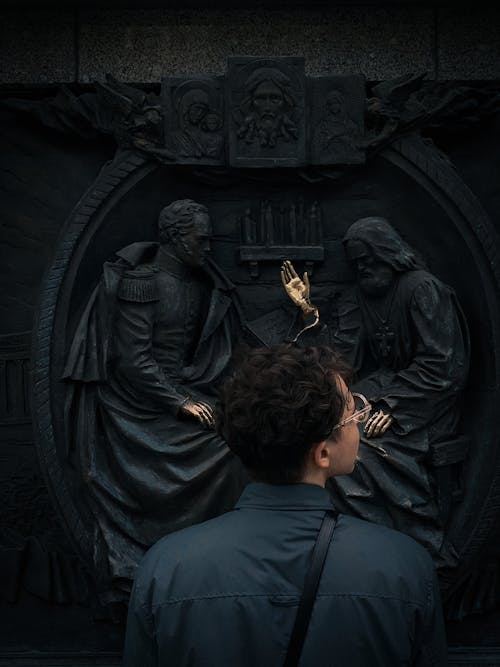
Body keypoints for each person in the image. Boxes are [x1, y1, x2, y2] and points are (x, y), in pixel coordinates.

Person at [124, 343, 447, 666]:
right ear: (322, 453)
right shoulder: (403, 568)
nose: (360, 423)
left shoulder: (165, 569)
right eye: (354, 413)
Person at [63, 199, 250, 604]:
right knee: (226, 448)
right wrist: (180, 402)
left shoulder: (199, 282)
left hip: (184, 393)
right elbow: (134, 361)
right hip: (138, 407)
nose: (208, 247)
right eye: (201, 239)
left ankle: (208, 558)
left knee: (240, 443)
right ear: (174, 237)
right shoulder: (141, 283)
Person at [281, 216, 470, 570]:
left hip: (426, 402)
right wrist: (308, 312)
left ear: (388, 252)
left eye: (368, 259)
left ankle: (413, 546)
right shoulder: (361, 296)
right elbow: (342, 363)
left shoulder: (423, 289)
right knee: (321, 437)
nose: (363, 268)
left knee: (356, 455)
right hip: (380, 393)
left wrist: (393, 406)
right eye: (356, 264)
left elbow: (444, 365)